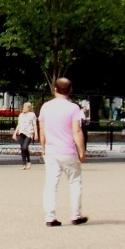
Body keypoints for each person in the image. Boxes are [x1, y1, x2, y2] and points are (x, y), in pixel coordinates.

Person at [38, 77, 87, 226]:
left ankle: (50, 217)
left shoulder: (46, 107)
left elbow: (42, 130)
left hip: (52, 150)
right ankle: (75, 215)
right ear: (70, 90)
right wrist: (82, 151)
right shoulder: (73, 108)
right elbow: (76, 131)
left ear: (55, 89)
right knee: (75, 182)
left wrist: (44, 147)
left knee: (51, 184)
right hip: (68, 150)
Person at [13, 102, 38, 169]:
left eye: (25, 107)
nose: (24, 108)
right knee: (22, 148)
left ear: (29, 108)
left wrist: (36, 134)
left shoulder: (32, 115)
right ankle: (24, 164)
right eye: (23, 107)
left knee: (25, 147)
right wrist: (15, 133)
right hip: (21, 132)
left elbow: (34, 124)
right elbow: (19, 124)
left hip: (29, 133)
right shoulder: (21, 115)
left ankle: (29, 161)